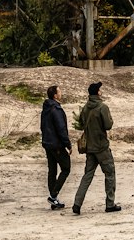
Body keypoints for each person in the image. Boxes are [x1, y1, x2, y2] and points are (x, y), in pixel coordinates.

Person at [72, 79, 121, 214]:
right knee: (110, 174)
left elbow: (81, 124)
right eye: (99, 89)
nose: (101, 91)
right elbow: (108, 125)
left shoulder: (86, 107)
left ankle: (77, 203)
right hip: (102, 147)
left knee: (87, 175)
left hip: (90, 147)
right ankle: (110, 204)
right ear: (97, 93)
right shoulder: (102, 107)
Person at [40, 82, 72, 210]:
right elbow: (61, 128)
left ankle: (54, 199)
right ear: (55, 95)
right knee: (66, 168)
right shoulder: (56, 109)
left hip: (47, 143)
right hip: (56, 144)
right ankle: (53, 196)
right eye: (59, 91)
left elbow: (42, 126)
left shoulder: (46, 108)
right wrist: (68, 144)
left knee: (52, 170)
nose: (61, 93)